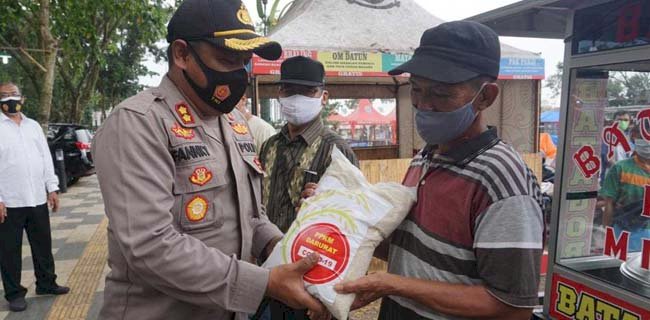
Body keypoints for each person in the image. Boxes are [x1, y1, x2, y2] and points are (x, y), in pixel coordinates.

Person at [92, 1, 327, 319]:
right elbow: (149, 245)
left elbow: (252, 216)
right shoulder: (138, 123)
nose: (240, 73)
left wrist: (279, 248)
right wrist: (264, 282)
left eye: (245, 61)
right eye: (229, 59)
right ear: (182, 54)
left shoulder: (233, 123)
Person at [327, 21, 544, 319]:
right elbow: (411, 255)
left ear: (485, 97)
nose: (423, 105)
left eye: (441, 94)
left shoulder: (502, 181)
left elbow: (511, 307)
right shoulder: (425, 158)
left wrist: (395, 285)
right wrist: (340, 213)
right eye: (416, 90)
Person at [258, 56, 358, 319]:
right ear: (279, 93)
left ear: (324, 97)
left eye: (307, 91)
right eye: (289, 90)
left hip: (312, 279)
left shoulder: (338, 151)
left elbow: (352, 223)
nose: (296, 97)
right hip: (269, 273)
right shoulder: (269, 146)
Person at [0, 82, 70, 312]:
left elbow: (44, 157)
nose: (10, 99)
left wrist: (52, 187)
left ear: (23, 97)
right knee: (9, 249)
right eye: (4, 95)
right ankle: (14, 294)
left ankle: (46, 283)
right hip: (9, 201)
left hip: (36, 198)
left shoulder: (33, 126)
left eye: (14, 94)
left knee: (43, 244)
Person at [600, 125, 650, 252]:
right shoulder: (620, 168)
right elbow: (609, 204)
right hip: (623, 234)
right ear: (634, 137)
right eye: (644, 136)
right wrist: (606, 233)